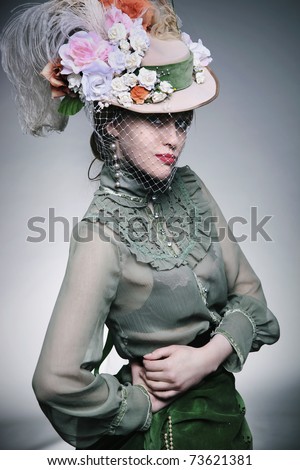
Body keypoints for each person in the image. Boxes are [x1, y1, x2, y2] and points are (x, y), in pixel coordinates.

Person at [1, 0, 280, 450]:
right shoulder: (101, 234)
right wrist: (139, 404)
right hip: (169, 439)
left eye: (182, 121)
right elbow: (56, 380)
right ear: (111, 123)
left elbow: (255, 302)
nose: (174, 139)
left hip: (229, 418)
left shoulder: (191, 189)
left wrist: (207, 357)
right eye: (155, 121)